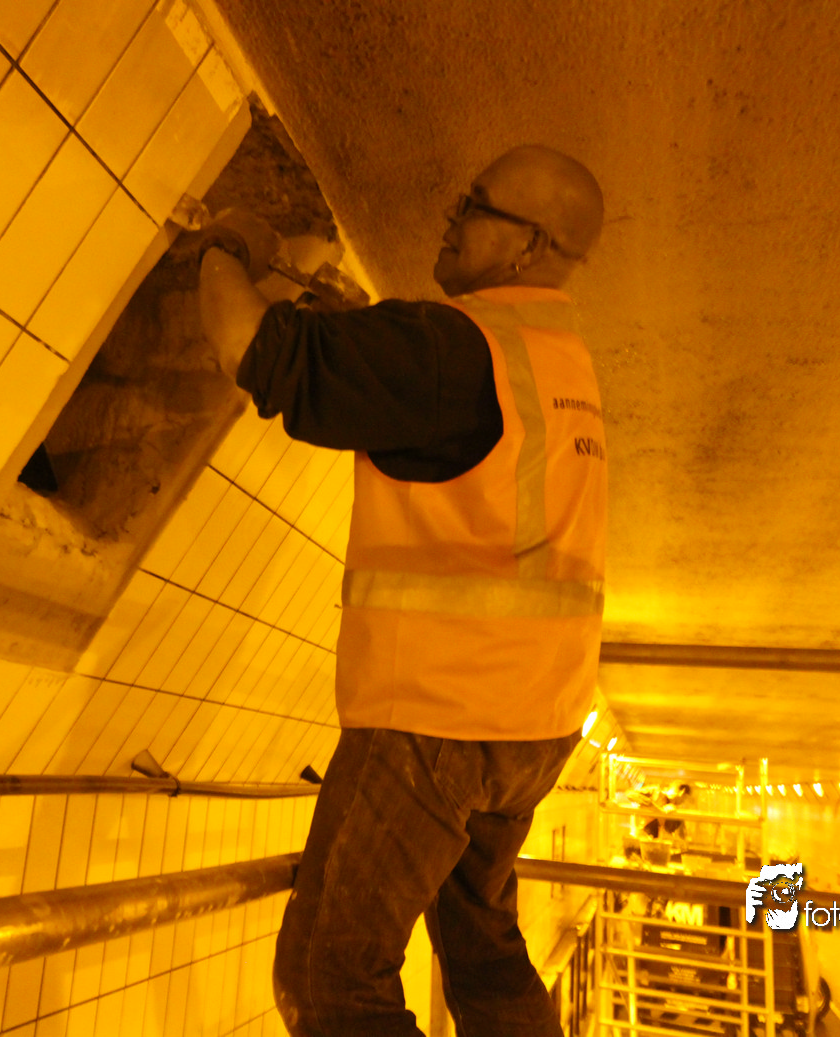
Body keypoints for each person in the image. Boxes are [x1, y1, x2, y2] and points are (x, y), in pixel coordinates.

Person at [199, 145, 607, 1037]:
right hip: (535, 722)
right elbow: (452, 422)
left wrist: (224, 246)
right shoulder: (555, 356)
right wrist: (366, 336)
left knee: (330, 980)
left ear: (529, 243)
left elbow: (251, 350)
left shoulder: (453, 348)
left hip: (439, 718)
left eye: (475, 205)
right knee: (481, 943)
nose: (451, 218)